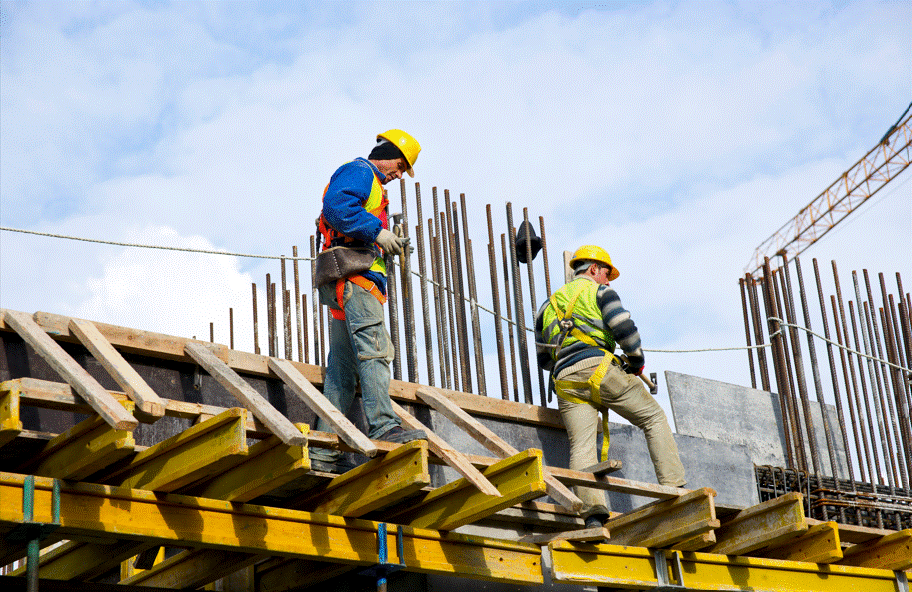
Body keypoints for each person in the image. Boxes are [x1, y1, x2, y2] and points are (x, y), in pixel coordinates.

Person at [534, 245, 686, 528]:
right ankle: (675, 488)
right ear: (593, 269)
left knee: (581, 446)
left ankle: (592, 514)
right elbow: (624, 328)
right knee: (653, 418)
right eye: (606, 274)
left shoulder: (546, 306)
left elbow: (544, 358)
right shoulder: (600, 292)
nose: (607, 280)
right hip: (600, 369)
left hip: (565, 381)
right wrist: (636, 360)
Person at [310, 129, 427, 473]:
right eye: (400, 165)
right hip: (356, 281)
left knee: (342, 372)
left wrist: (382, 239)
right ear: (387, 152)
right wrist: (378, 233)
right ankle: (384, 426)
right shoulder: (361, 172)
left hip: (347, 283)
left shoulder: (373, 186)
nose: (400, 174)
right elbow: (336, 206)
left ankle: (324, 452)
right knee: (376, 351)